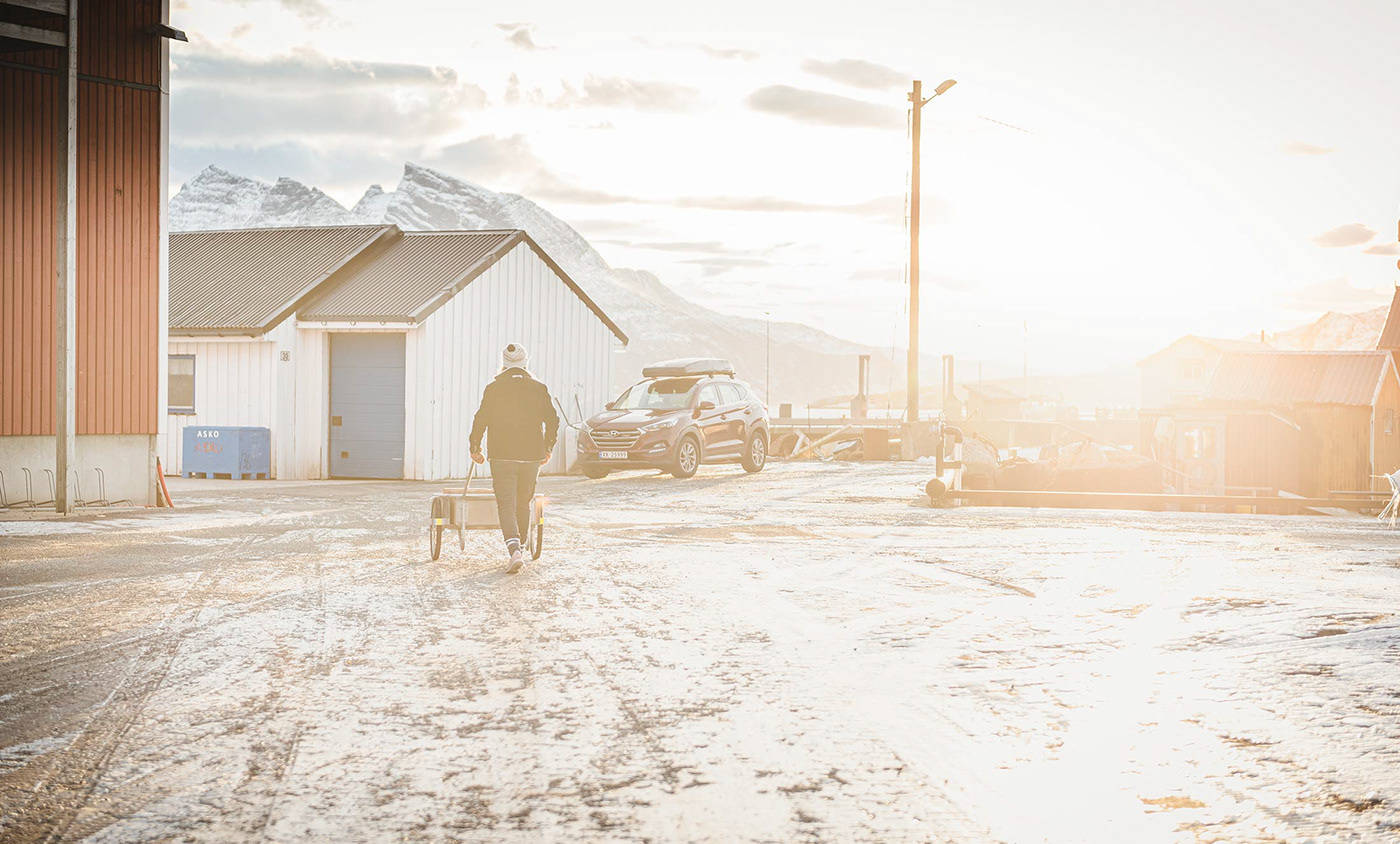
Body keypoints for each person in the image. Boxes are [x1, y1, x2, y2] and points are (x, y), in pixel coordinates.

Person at [470, 343, 560, 573]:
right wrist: (548, 447)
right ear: (525, 362)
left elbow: (481, 418)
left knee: (506, 504)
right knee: (523, 502)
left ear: (503, 363)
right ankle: (519, 547)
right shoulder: (538, 388)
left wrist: (475, 447)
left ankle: (515, 551)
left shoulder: (494, 388)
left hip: (502, 455)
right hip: (531, 455)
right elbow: (553, 420)